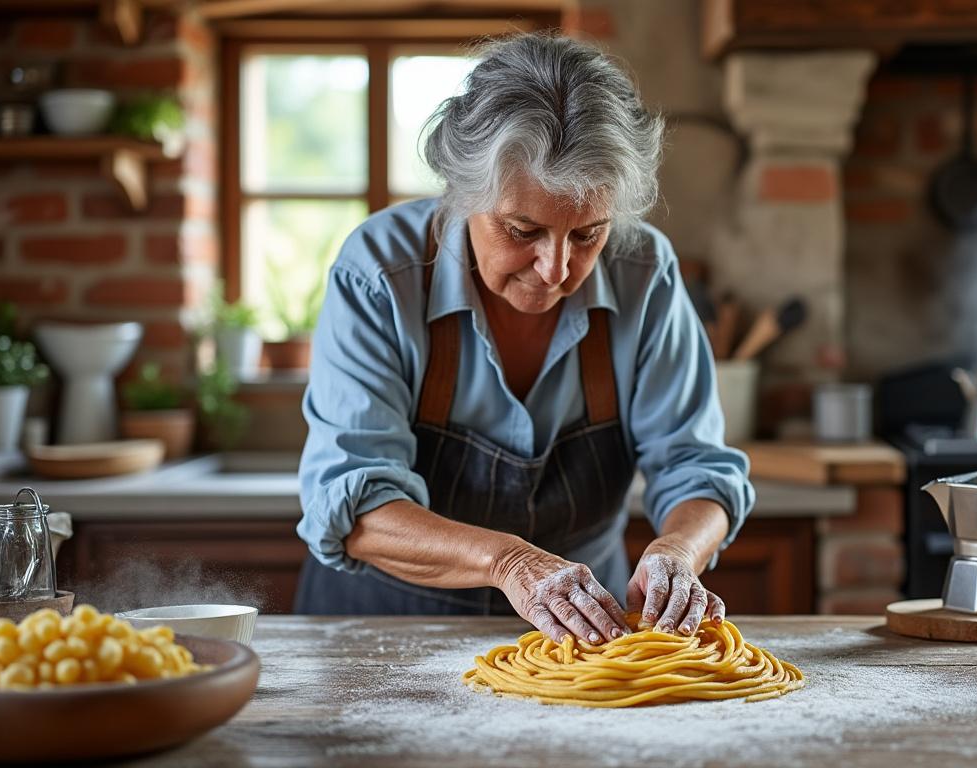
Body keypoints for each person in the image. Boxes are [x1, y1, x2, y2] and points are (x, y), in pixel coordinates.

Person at [293, 33, 754, 645]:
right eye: (521, 229)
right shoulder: (379, 271)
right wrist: (510, 563)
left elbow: (698, 470)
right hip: (384, 631)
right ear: (463, 195)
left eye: (588, 234)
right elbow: (354, 505)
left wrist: (678, 549)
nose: (556, 268)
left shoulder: (646, 272)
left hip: (586, 639)